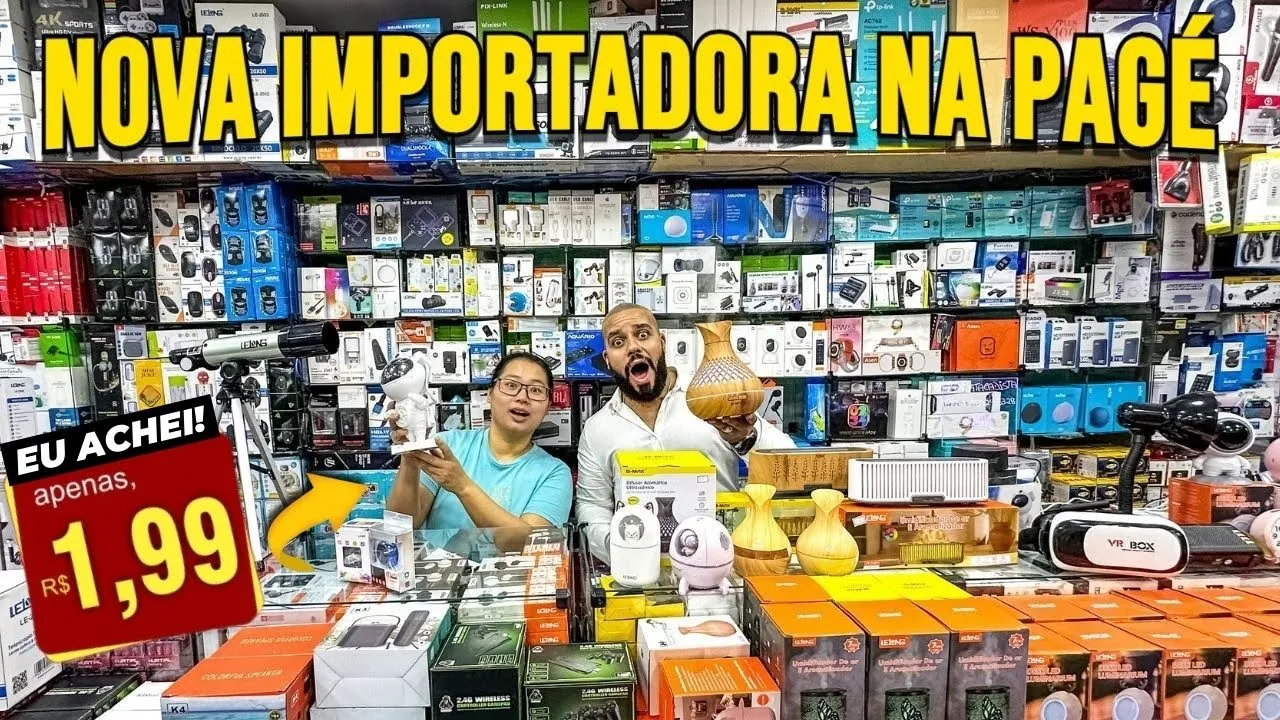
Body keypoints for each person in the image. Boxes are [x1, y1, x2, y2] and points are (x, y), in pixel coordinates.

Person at [576, 304, 795, 560]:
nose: (633, 347)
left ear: (662, 343)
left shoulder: (710, 397)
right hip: (639, 570)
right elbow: (592, 506)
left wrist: (746, 438)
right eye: (618, 342)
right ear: (607, 360)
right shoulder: (597, 429)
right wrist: (619, 550)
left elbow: (789, 463)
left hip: (722, 562)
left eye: (643, 335)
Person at [387, 351, 572, 540]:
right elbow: (401, 526)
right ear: (489, 395)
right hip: (437, 560)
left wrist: (462, 486)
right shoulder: (447, 445)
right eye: (511, 385)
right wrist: (409, 457)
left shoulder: (554, 473)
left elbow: (530, 544)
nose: (522, 397)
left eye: (536, 390)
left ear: (548, 406)